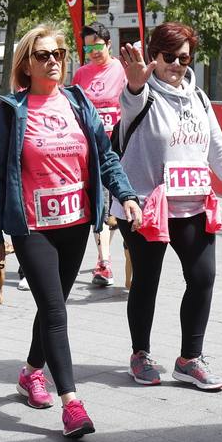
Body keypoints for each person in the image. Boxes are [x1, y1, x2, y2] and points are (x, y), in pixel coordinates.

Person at [0, 25, 141, 439]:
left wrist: (124, 194)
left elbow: (105, 155)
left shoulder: (77, 101)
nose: (53, 60)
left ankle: (31, 372)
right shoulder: (11, 110)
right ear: (26, 64)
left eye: (58, 53)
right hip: (33, 227)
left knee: (51, 306)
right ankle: (72, 403)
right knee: (55, 310)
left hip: (75, 224)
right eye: (42, 55)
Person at [116, 23, 222, 392]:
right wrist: (135, 83)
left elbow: (218, 150)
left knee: (202, 278)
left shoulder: (198, 97)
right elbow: (130, 99)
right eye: (169, 57)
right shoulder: (142, 94)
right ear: (155, 56)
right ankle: (141, 354)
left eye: (184, 58)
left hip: (193, 204)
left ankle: (189, 360)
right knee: (146, 282)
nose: (177, 65)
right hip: (146, 208)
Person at [71, 22, 127, 287]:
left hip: (122, 149)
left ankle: (112, 255)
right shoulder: (80, 75)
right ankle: (104, 263)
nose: (93, 52)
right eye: (88, 47)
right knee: (102, 206)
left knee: (120, 206)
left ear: (109, 45)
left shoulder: (122, 70)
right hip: (94, 150)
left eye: (98, 46)